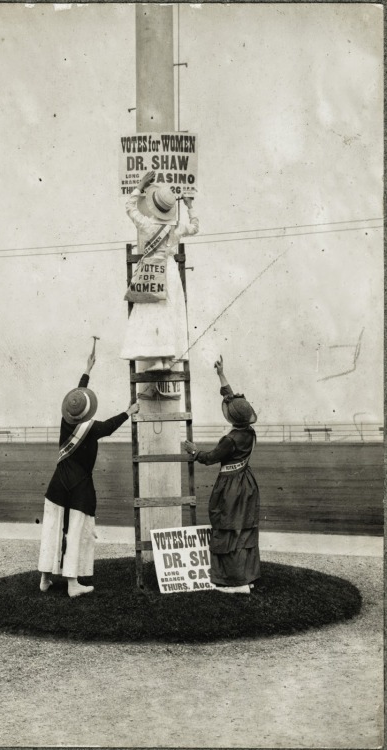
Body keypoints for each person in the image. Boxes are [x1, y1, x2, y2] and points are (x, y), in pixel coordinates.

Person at [38, 349, 139, 597]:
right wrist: (129, 411)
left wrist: (87, 370)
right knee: (76, 532)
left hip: (57, 484)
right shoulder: (92, 428)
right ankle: (73, 584)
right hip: (80, 486)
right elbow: (110, 426)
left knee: (52, 528)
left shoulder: (66, 422)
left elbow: (75, 398)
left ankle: (45, 578)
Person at [183, 355, 261, 594]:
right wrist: (221, 374)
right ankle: (246, 577)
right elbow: (233, 399)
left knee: (228, 529)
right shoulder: (249, 433)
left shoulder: (230, 440)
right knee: (244, 528)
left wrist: (194, 451)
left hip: (230, 487)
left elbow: (210, 458)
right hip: (246, 484)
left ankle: (235, 583)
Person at [121, 170, 199, 371]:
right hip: (170, 271)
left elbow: (129, 207)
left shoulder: (147, 224)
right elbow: (195, 227)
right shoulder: (177, 227)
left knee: (152, 314)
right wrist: (190, 206)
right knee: (170, 312)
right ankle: (167, 358)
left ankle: (157, 360)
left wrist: (140, 185)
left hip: (152, 270)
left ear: (154, 207)